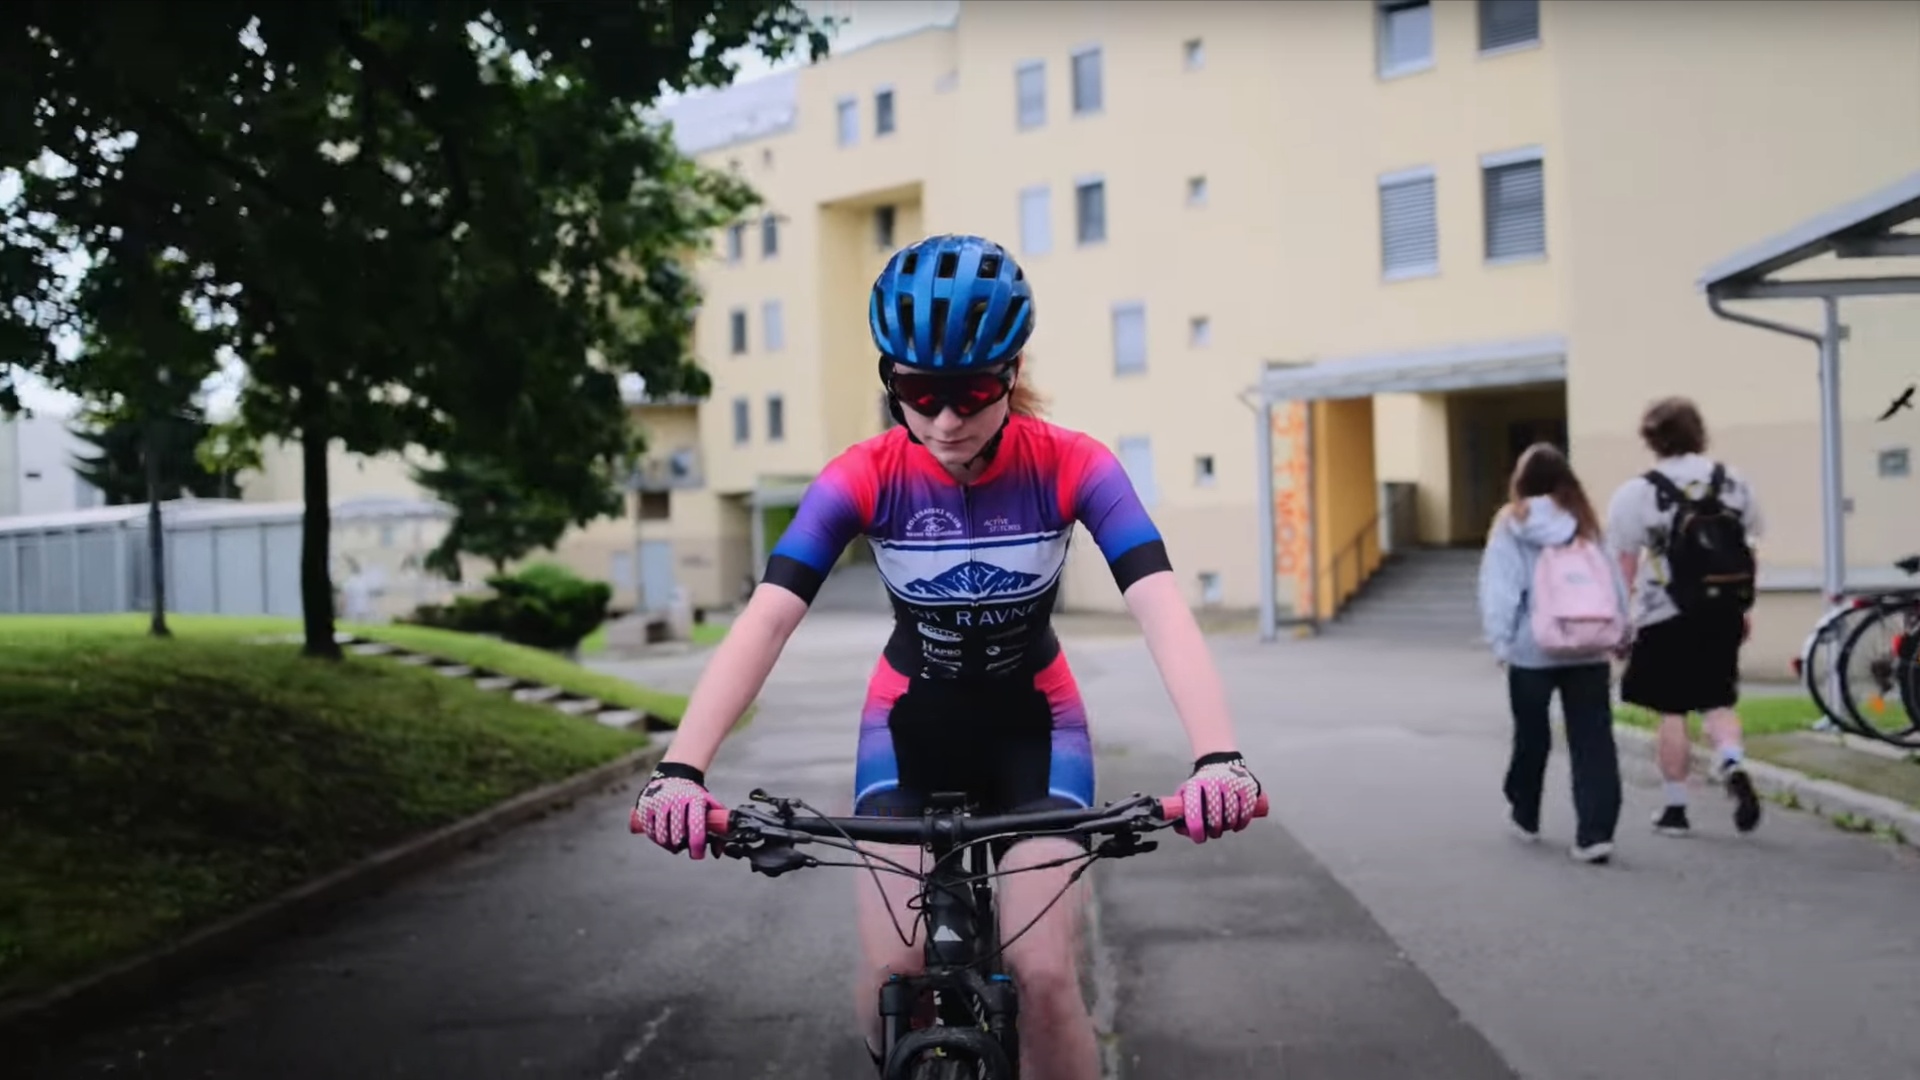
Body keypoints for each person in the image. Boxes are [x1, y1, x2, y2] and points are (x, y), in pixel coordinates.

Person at [630, 233, 1263, 1080]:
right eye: (919, 395)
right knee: (891, 973)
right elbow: (767, 621)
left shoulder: (1074, 464)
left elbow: (1162, 611)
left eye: (972, 393)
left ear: (1012, 372)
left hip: (1036, 731)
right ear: (890, 381)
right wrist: (681, 770)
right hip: (907, 730)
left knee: (1043, 976)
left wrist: (1218, 758)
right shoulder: (864, 474)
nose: (945, 422)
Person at [1604, 396, 1765, 837]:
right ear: (1699, 432)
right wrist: (1743, 606)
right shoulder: (1733, 482)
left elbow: (1624, 566)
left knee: (1671, 710)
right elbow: (1749, 548)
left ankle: (1676, 808)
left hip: (1664, 614)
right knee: (1718, 699)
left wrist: (1621, 621)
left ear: (1651, 440)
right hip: (1722, 610)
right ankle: (1731, 761)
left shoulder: (1637, 493)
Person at [1477, 443, 1630, 864]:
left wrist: (1500, 640)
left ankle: (1525, 813)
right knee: (1593, 739)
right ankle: (1595, 832)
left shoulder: (1512, 523)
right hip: (1589, 644)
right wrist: (1621, 630)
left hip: (1532, 647)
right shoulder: (1585, 521)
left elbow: (1500, 586)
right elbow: (1612, 579)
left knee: (1531, 734)